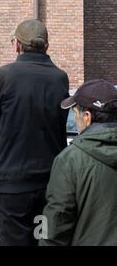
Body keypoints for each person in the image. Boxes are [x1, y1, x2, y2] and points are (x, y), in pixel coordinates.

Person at [0, 19, 70, 246]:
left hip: (12, 186)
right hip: (49, 184)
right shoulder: (60, 77)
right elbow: (57, 123)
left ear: (17, 45)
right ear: (46, 46)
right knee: (42, 241)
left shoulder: (5, 75)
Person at [40, 79, 117, 246]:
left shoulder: (70, 160)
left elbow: (55, 223)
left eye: (75, 114)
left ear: (87, 117)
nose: (76, 120)